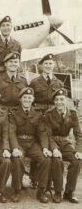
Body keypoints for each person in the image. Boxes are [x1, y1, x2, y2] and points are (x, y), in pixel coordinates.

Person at [9, 87, 51, 203]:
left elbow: (42, 132)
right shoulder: (13, 113)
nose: (27, 100)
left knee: (45, 159)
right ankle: (17, 190)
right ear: (21, 99)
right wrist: (15, 148)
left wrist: (45, 148)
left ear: (33, 99)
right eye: (25, 97)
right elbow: (11, 132)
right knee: (17, 158)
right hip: (19, 142)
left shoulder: (38, 114)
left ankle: (41, 190)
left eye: (29, 97)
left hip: (33, 144)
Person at [29, 53, 64, 188]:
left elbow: (61, 102)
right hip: (38, 116)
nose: (48, 66)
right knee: (37, 144)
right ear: (42, 66)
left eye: (51, 64)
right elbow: (30, 101)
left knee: (51, 143)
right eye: (46, 64)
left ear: (54, 65)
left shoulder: (59, 83)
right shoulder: (35, 82)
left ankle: (50, 179)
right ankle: (34, 178)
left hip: (52, 117)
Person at [45, 88, 82, 203]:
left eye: (61, 99)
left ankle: (69, 192)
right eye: (56, 100)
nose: (59, 102)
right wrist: (54, 148)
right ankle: (57, 191)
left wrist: (79, 150)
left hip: (65, 143)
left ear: (65, 100)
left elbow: (78, 134)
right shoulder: (49, 114)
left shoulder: (73, 114)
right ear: (54, 102)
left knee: (77, 161)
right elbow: (48, 135)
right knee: (57, 160)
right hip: (53, 142)